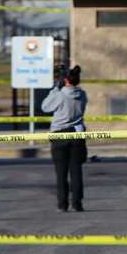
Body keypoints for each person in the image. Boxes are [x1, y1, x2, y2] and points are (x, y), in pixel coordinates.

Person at [42, 65, 88, 212]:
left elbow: (45, 107)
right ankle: (77, 203)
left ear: (65, 80)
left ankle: (63, 204)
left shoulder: (60, 94)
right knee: (76, 171)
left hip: (59, 134)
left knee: (61, 173)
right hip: (77, 134)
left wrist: (56, 88)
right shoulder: (82, 94)